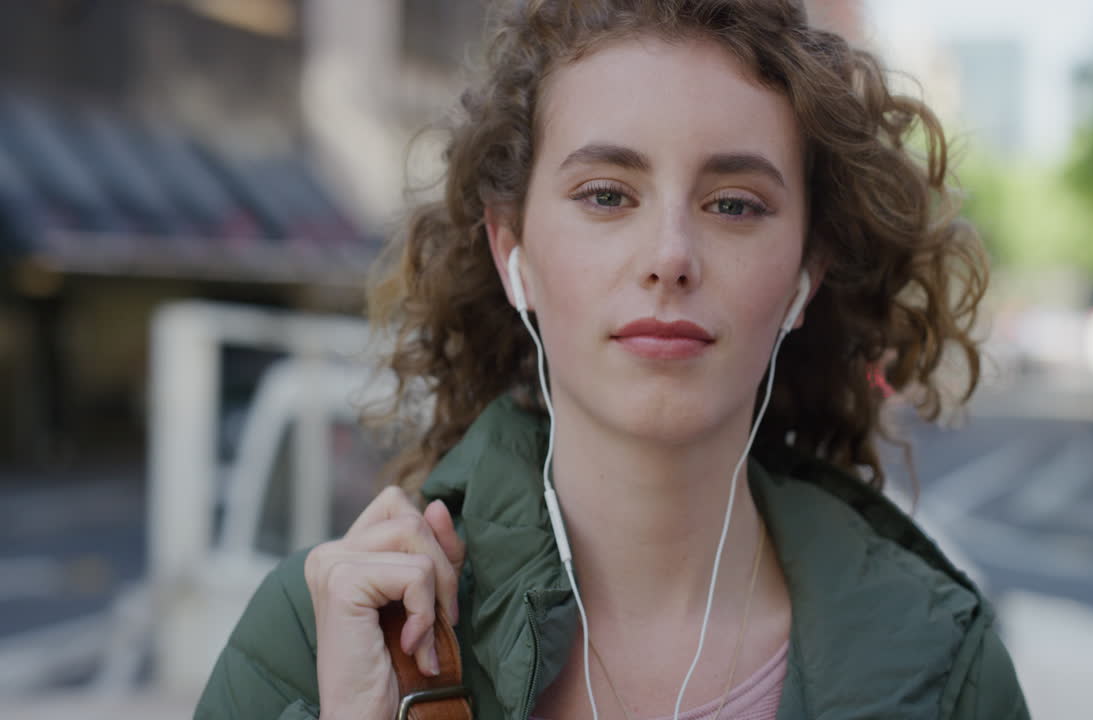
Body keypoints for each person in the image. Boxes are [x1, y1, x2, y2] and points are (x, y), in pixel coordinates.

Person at [195, 1, 1029, 718]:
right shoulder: (324, 631)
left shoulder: (942, 666)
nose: (670, 255)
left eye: (734, 204)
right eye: (607, 196)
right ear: (511, 248)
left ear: (806, 275)